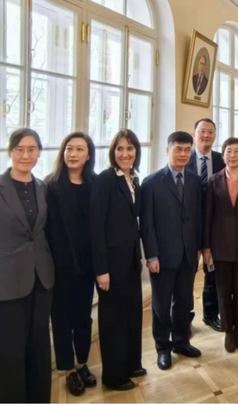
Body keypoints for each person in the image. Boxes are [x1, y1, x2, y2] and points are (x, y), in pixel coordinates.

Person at [0, 128, 54, 403]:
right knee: (9, 362)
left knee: (39, 358)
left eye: (32, 149)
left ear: (39, 153)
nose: (25, 155)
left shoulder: (42, 187)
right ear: (10, 152)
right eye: (20, 149)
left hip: (40, 283)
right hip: (3, 287)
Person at [141, 131, 203, 371]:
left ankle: (181, 342)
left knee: (184, 301)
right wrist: (151, 255)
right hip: (162, 257)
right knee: (161, 305)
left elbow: (197, 217)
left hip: (188, 254)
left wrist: (199, 248)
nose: (183, 154)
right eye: (178, 149)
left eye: (187, 150)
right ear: (167, 150)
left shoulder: (195, 181)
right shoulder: (151, 183)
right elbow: (147, 225)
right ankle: (162, 348)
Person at [91, 129, 147, 391]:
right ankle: (113, 376)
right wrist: (101, 269)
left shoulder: (134, 178)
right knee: (113, 320)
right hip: (111, 264)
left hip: (131, 261)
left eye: (130, 148)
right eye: (120, 149)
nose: (125, 154)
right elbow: (96, 227)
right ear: (113, 152)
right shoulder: (105, 180)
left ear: (136, 152)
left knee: (132, 314)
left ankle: (132, 364)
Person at [45, 132, 98, 396]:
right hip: (60, 266)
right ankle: (68, 370)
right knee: (62, 320)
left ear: (88, 155)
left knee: (83, 318)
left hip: (88, 265)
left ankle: (82, 363)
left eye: (79, 149)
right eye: (69, 148)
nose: (73, 153)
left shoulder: (95, 184)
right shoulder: (50, 185)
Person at [204, 137, 238, 352]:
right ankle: (228, 331)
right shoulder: (213, 180)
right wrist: (206, 247)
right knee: (223, 291)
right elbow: (208, 216)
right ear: (223, 155)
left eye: (237, 151)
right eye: (228, 151)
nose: (232, 155)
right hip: (220, 247)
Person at [186, 118, 225, 332]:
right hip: (189, 227)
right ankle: (185, 318)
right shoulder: (185, 158)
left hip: (215, 227)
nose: (206, 135)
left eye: (210, 132)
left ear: (215, 136)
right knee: (187, 276)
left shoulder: (222, 160)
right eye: (202, 131)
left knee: (213, 274)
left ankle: (211, 315)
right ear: (194, 135)